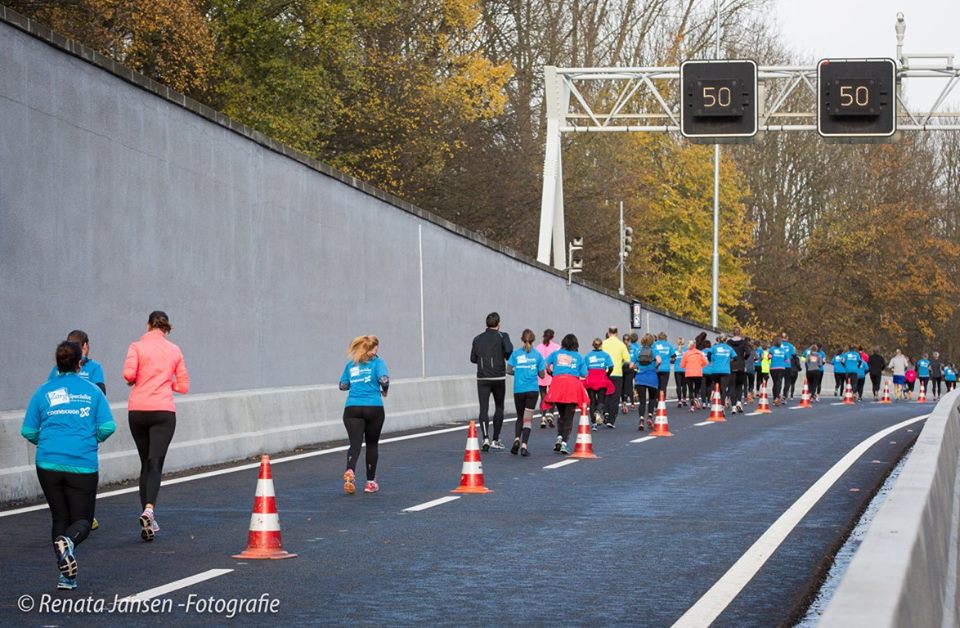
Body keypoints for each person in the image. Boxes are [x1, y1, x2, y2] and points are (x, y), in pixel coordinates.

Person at [22, 341, 115, 590]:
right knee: (83, 520)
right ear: (79, 363)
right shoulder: (93, 391)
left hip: (48, 462)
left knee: (59, 516)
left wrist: (48, 442)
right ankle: (68, 543)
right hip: (81, 463)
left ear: (57, 363)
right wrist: (90, 440)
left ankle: (66, 577)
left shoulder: (43, 391)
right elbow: (108, 427)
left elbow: (28, 430)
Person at [123, 310, 189, 541]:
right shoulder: (174, 350)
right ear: (165, 328)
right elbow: (183, 386)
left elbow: (128, 375)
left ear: (148, 325)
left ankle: (148, 519)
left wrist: (139, 378)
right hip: (162, 411)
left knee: (144, 464)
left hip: (138, 410)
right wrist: (167, 383)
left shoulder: (136, 347)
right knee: (155, 464)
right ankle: (149, 509)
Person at [339, 335, 389, 494]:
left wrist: (357, 382)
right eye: (376, 347)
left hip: (352, 408)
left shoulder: (350, 365)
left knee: (355, 443)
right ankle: (370, 483)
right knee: (372, 444)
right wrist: (384, 390)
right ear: (372, 349)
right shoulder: (378, 363)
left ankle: (350, 470)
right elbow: (384, 380)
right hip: (373, 407)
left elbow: (343, 385)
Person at [470, 312, 513, 451]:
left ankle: (485, 438)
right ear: (498, 324)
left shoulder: (477, 338)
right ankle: (495, 438)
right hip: (498, 377)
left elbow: (472, 358)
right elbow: (509, 350)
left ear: (486, 324)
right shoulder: (503, 336)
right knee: (499, 407)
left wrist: (483, 361)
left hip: (482, 377)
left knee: (483, 408)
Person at [544, 334, 588, 453]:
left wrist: (551, 373)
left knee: (561, 414)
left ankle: (559, 437)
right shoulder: (578, 356)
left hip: (557, 384)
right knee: (569, 416)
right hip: (572, 386)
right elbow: (584, 373)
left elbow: (545, 364)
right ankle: (564, 442)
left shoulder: (556, 354)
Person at [506, 329, 545, 456]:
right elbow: (542, 375)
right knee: (527, 419)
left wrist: (519, 372)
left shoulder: (516, 354)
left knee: (519, 417)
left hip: (519, 389)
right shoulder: (537, 355)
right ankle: (524, 446)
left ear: (522, 339)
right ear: (533, 340)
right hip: (532, 390)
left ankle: (516, 439)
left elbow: (509, 370)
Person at [47, 330, 105, 395]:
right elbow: (101, 392)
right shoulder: (94, 367)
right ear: (85, 346)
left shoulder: (58, 367)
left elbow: (47, 389)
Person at [601, 327, 631, 427]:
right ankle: (611, 420)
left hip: (604, 373)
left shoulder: (603, 343)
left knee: (605, 394)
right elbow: (627, 360)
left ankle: (605, 412)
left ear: (608, 333)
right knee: (614, 397)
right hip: (617, 373)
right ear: (617, 333)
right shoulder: (621, 345)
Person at [584, 338, 614, 428]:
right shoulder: (605, 355)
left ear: (593, 345)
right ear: (601, 345)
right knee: (601, 399)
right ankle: (598, 411)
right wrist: (607, 374)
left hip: (590, 380)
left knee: (592, 401)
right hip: (601, 378)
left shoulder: (588, 356)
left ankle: (593, 424)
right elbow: (611, 366)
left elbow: (584, 369)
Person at [633, 334, 660, 429]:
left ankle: (641, 420)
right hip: (652, 377)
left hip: (640, 378)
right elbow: (659, 360)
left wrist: (638, 367)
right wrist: (655, 367)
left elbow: (631, 365)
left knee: (642, 401)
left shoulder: (638, 350)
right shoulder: (653, 350)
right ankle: (649, 417)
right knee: (652, 399)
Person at [535, 330, 560, 429]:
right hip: (552, 373)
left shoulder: (538, 347)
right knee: (552, 394)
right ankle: (550, 414)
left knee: (543, 396)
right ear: (552, 336)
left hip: (541, 374)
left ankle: (543, 416)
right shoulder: (557, 347)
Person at [680, 340, 707, 411]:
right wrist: (700, 366)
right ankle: (696, 398)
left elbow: (682, 365)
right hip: (698, 373)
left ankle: (692, 406)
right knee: (697, 388)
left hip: (689, 374)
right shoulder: (700, 353)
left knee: (690, 389)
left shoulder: (686, 353)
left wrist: (688, 366)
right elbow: (705, 362)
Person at [711, 335, 735, 411]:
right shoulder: (729, 348)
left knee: (716, 387)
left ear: (718, 340)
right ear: (725, 340)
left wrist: (712, 361)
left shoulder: (714, 347)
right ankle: (722, 406)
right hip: (725, 370)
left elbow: (708, 354)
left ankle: (715, 403)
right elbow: (735, 357)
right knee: (723, 389)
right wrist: (729, 361)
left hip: (715, 370)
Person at [727, 331, 749, 413]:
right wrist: (744, 358)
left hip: (732, 365)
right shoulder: (743, 342)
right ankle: (739, 402)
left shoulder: (729, 342)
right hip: (740, 365)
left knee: (732, 386)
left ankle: (733, 407)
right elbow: (748, 352)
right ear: (739, 333)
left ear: (733, 333)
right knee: (739, 385)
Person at [651, 332, 675, 400]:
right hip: (666, 368)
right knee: (663, 387)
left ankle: (655, 402)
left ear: (658, 337)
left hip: (656, 368)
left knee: (656, 386)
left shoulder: (654, 345)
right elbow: (674, 357)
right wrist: (669, 362)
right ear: (666, 338)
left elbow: (651, 356)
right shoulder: (669, 345)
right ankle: (662, 402)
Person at [768, 339, 788, 405]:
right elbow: (787, 360)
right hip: (781, 368)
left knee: (775, 382)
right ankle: (777, 397)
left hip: (773, 367)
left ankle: (774, 398)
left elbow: (769, 357)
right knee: (779, 382)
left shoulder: (771, 349)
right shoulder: (783, 350)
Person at [621, 333, 637, 413]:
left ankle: (627, 401)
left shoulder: (632, 348)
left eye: (626, 340)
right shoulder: (623, 348)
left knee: (626, 385)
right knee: (626, 385)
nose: (626, 341)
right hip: (626, 368)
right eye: (626, 340)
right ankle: (626, 402)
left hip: (626, 368)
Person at [781, 333, 798, 400]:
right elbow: (794, 355)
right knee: (787, 382)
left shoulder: (777, 345)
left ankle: (776, 396)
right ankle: (784, 396)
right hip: (787, 365)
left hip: (779, 366)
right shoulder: (790, 346)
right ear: (787, 338)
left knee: (778, 381)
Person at [673, 337, 686, 408]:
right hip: (684, 369)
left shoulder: (675, 350)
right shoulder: (686, 350)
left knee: (678, 385)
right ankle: (684, 400)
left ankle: (679, 401)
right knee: (684, 385)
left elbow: (672, 360)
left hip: (677, 370)